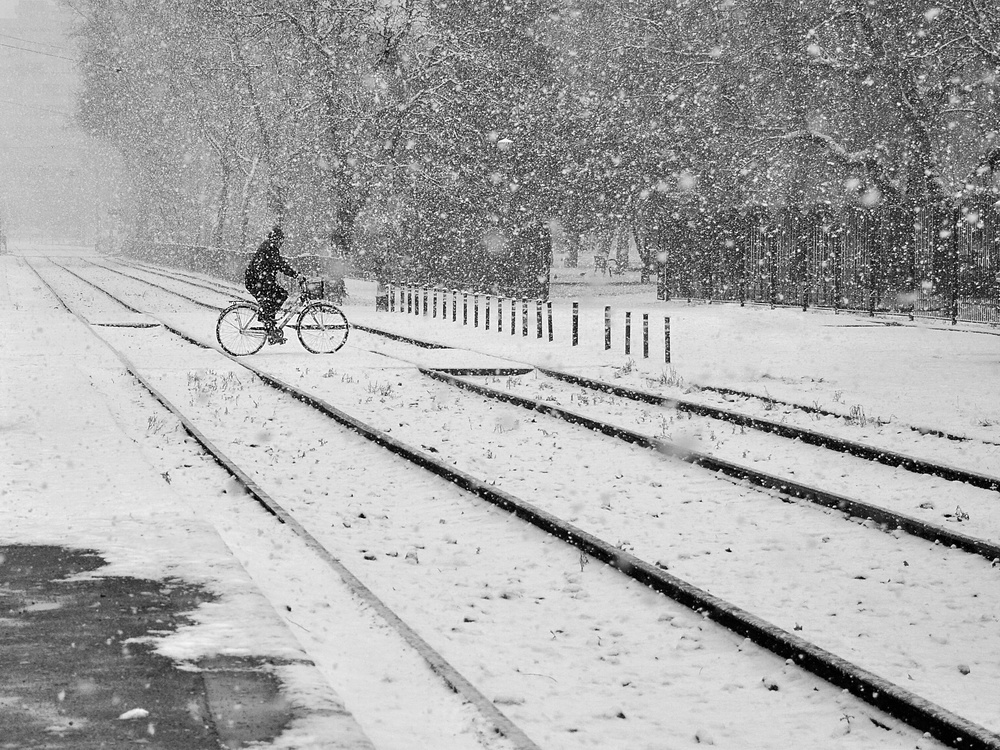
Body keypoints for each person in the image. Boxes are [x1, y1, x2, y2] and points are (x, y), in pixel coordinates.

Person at [244, 225, 303, 344]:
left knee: (276, 297)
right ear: (277, 239)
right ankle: (267, 320)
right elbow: (280, 264)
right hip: (258, 281)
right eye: (281, 240)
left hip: (259, 280)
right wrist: (295, 274)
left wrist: (293, 273)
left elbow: (278, 263)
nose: (281, 243)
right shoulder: (270, 248)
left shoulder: (268, 246)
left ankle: (269, 322)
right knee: (278, 295)